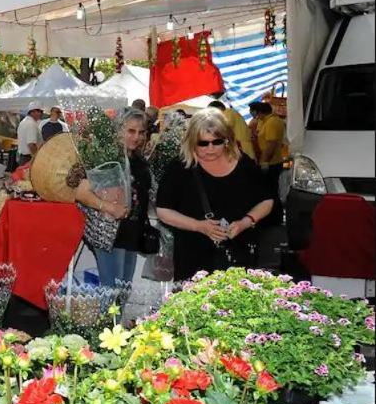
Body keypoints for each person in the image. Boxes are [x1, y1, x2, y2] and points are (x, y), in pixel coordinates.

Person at [156, 109, 275, 281]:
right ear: (191, 142)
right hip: (193, 256)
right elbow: (163, 210)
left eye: (217, 142)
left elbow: (267, 200)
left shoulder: (243, 164)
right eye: (203, 143)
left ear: (227, 140)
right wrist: (199, 226)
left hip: (238, 254)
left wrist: (244, 222)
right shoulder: (180, 168)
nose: (210, 149)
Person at [72, 109, 152, 286]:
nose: (136, 137)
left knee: (123, 290)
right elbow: (81, 192)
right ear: (118, 130)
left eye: (141, 132)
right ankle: (107, 316)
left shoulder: (138, 159)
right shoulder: (106, 157)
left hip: (133, 232)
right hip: (111, 234)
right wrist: (109, 207)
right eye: (131, 131)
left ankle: (115, 315)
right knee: (111, 292)